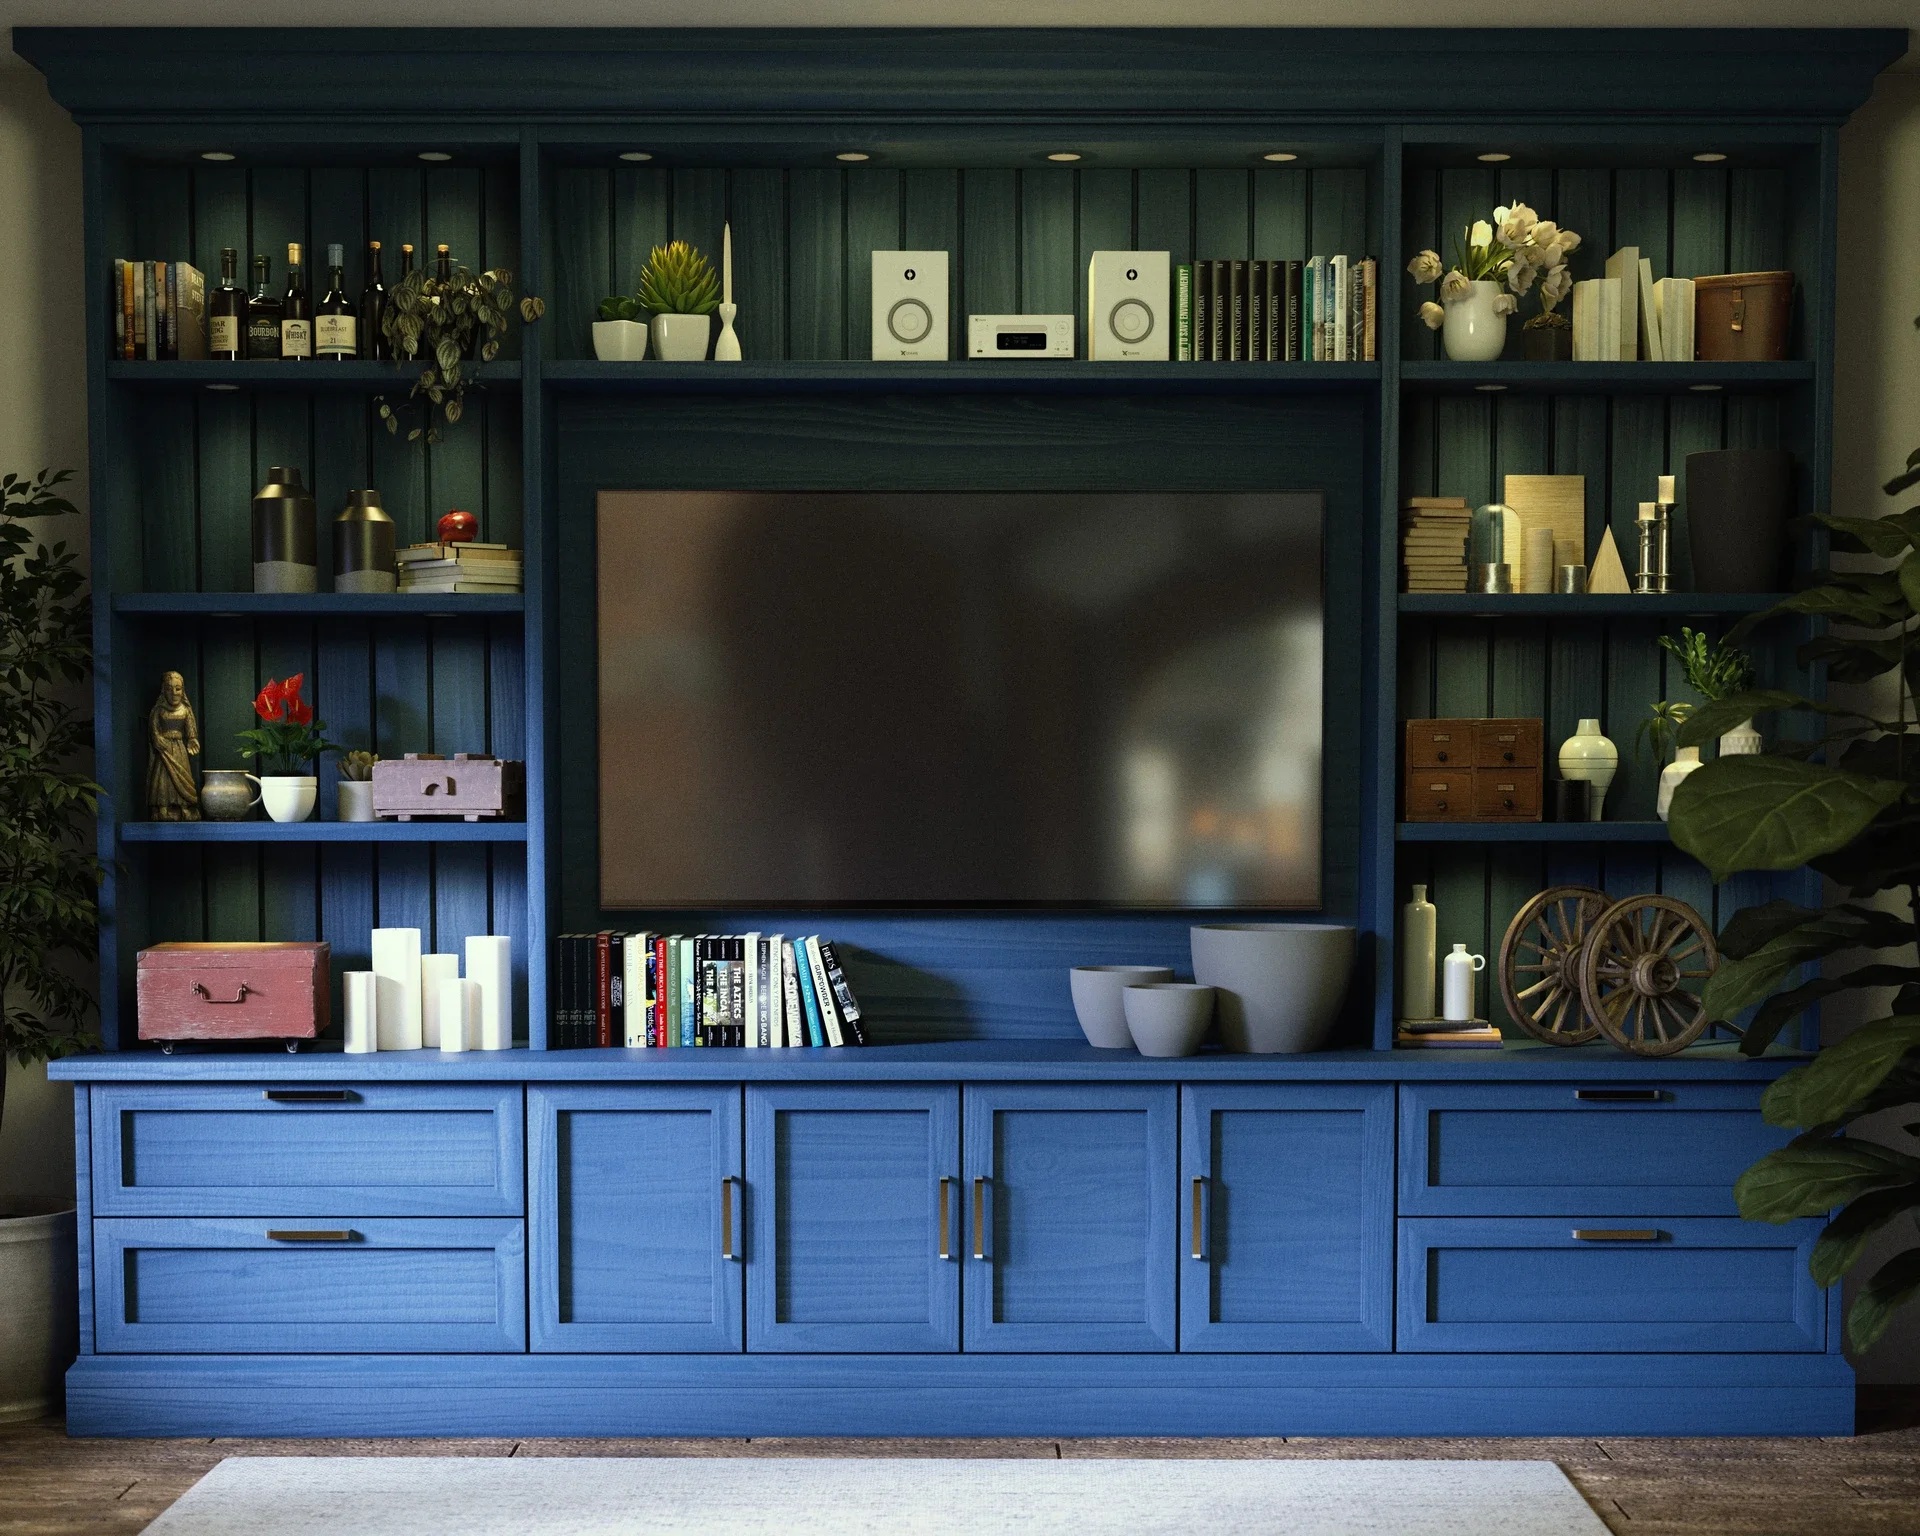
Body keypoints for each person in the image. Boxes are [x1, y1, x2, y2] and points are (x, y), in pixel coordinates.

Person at [146, 670, 201, 820]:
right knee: (163, 779)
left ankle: (184, 807)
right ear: (164, 691)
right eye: (170, 689)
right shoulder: (158, 711)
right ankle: (162, 808)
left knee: (183, 777)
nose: (174, 693)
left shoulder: (186, 710)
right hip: (163, 750)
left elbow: (191, 731)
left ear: (183, 690)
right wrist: (157, 738)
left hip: (179, 750)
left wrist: (192, 739)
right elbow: (153, 730)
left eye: (178, 689)